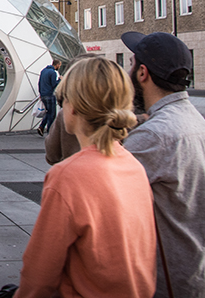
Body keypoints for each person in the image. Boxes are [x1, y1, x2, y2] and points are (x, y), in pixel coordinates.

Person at [14, 57, 156, 298]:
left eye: (64, 99)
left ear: (75, 107)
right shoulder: (134, 166)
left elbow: (39, 274)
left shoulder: (68, 177)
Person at [122, 31, 205, 298]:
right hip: (204, 275)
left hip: (169, 284)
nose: (129, 71)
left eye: (131, 64)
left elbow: (101, 195)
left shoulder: (154, 136)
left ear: (142, 73)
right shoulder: (196, 122)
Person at [37, 58, 62, 137]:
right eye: (59, 66)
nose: (59, 67)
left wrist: (41, 93)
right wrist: (60, 80)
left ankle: (41, 126)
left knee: (49, 112)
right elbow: (54, 85)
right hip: (50, 95)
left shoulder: (43, 71)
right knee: (52, 113)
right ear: (57, 65)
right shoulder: (53, 73)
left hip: (43, 94)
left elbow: (39, 83)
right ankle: (50, 131)